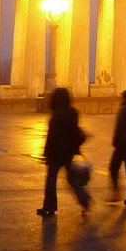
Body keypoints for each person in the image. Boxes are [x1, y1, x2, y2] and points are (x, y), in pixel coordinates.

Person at [37, 87, 92, 217]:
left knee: (51, 180)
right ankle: (85, 199)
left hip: (56, 153)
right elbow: (74, 131)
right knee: (72, 179)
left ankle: (49, 207)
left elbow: (51, 137)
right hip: (69, 152)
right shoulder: (73, 112)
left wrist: (46, 154)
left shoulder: (55, 115)